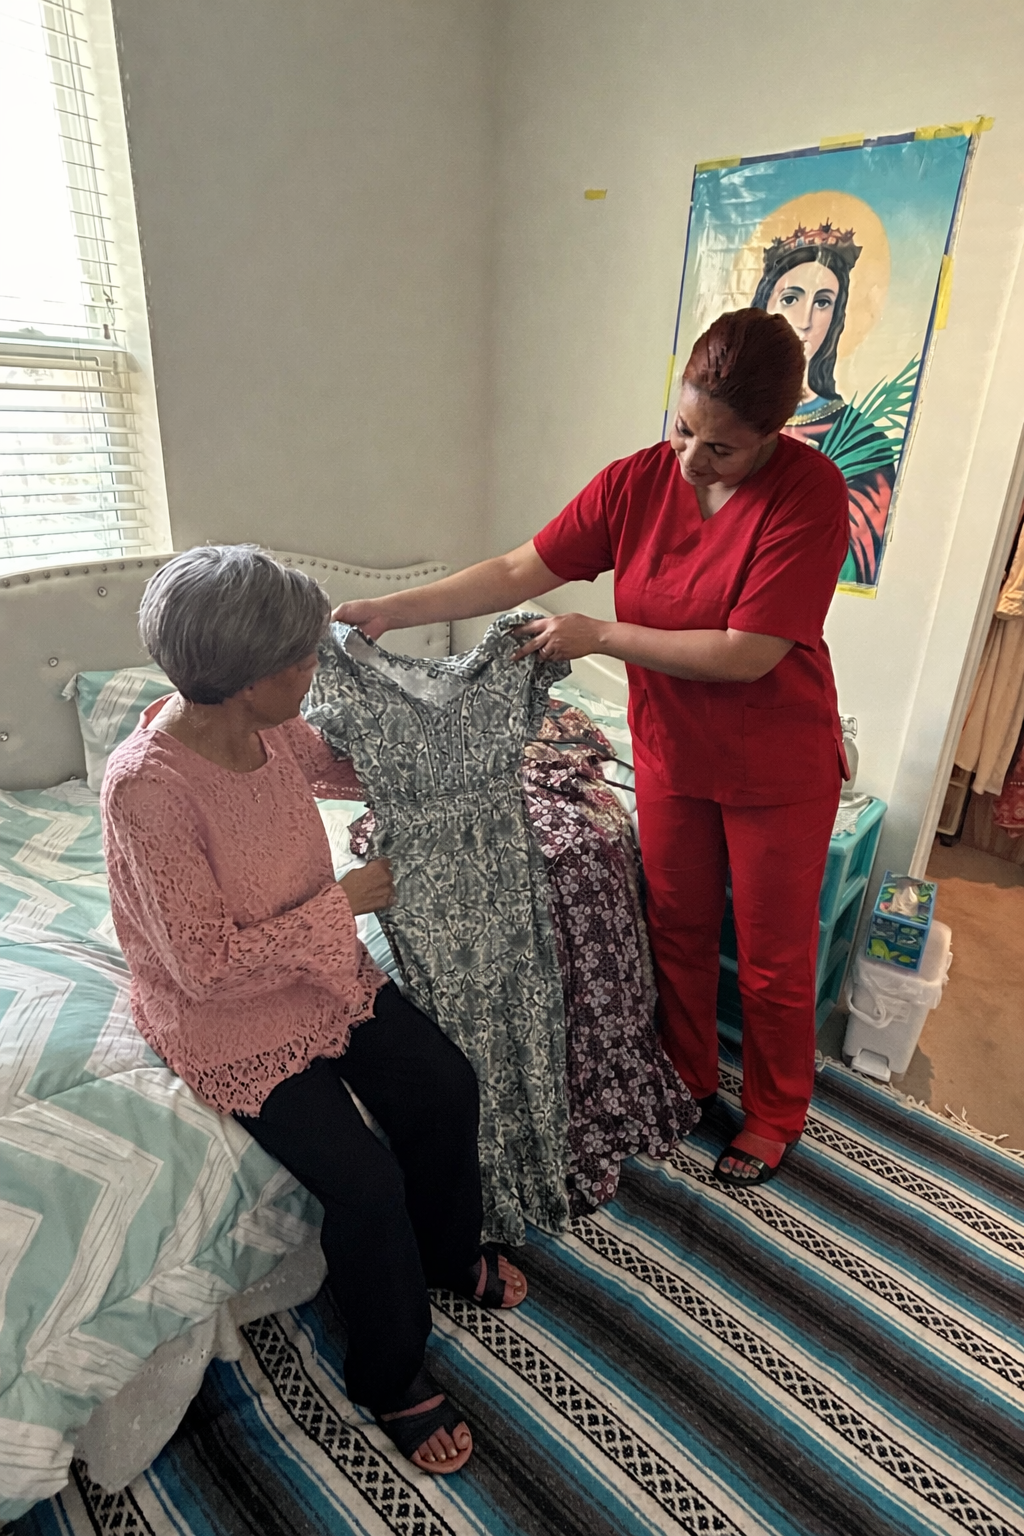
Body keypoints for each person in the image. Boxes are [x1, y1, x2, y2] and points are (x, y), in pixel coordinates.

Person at [334, 308, 849, 1188]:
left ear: (777, 431)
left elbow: (747, 653)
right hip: (673, 754)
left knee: (770, 961)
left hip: (776, 765)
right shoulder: (634, 483)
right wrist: (397, 608)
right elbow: (512, 571)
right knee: (678, 929)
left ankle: (775, 1111)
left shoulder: (811, 495)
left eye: (721, 449)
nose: (690, 459)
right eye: (683, 429)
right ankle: (687, 1075)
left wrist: (602, 635)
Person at [100, 545, 526, 1476]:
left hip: (319, 972)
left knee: (445, 1086)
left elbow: (342, 762)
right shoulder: (148, 787)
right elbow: (202, 967)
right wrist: (349, 903)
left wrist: (448, 733)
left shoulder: (268, 731)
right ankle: (389, 1373)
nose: (312, 671)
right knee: (365, 1186)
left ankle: (450, 1252)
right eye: (300, 661)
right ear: (243, 679)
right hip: (226, 1017)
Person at [752, 223, 898, 588]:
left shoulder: (863, 443)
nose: (804, 322)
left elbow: (852, 560)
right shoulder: (726, 422)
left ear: (836, 318)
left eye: (822, 303)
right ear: (763, 307)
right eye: (790, 299)